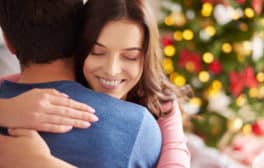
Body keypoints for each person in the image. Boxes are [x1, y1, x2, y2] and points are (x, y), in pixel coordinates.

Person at [0, 0, 162, 167]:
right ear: (81, 34)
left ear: (8, 42)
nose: (111, 71)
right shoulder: (139, 128)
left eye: (130, 57)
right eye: (98, 51)